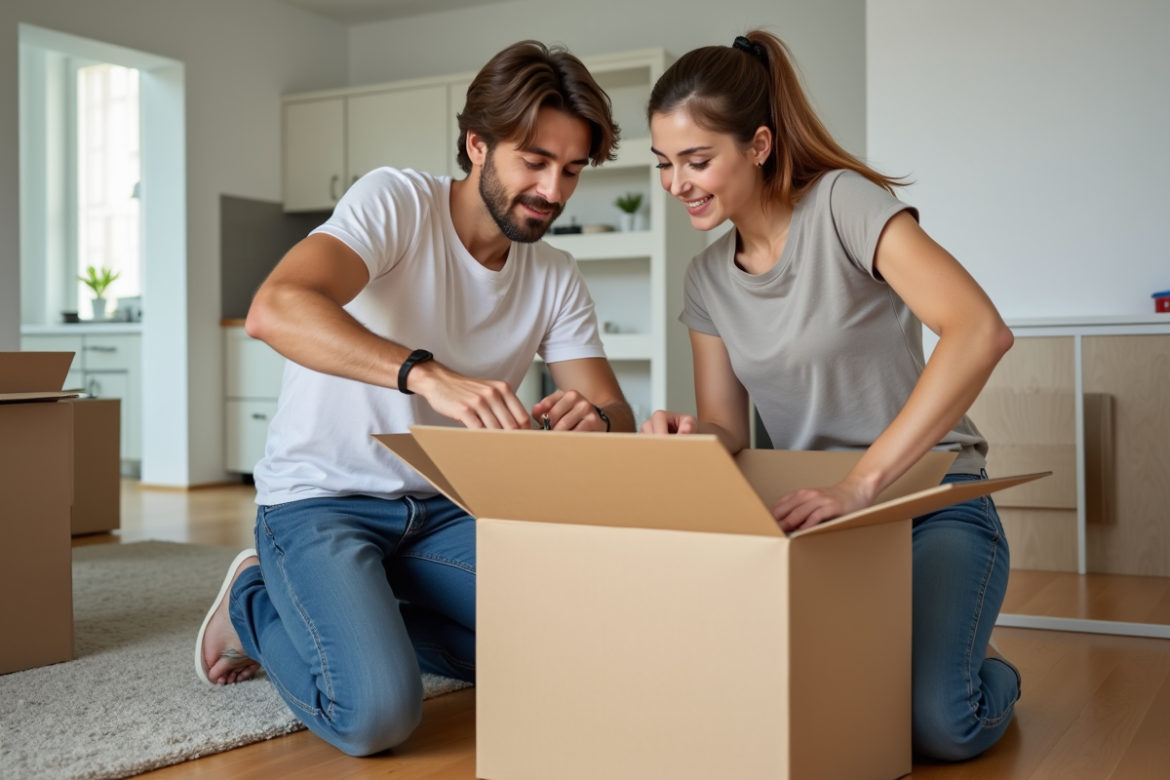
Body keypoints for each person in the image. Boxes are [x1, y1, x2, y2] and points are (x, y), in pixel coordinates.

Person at [194, 40, 633, 757]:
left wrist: (597, 419)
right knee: (376, 715)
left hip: (445, 511)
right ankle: (252, 602)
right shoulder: (396, 201)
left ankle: (367, 621)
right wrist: (426, 374)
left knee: (580, 640)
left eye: (572, 169)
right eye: (535, 160)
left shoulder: (554, 274)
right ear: (478, 145)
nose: (553, 191)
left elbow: (614, 410)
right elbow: (275, 309)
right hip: (321, 501)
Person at [641, 31, 1020, 761]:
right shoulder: (708, 280)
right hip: (821, 517)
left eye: (696, 160)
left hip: (931, 499)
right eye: (664, 163)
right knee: (800, 702)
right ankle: (934, 642)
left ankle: (990, 666)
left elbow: (979, 331)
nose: (676, 183)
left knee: (942, 725)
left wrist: (861, 483)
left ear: (757, 145)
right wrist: (689, 436)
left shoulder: (842, 204)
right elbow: (727, 428)